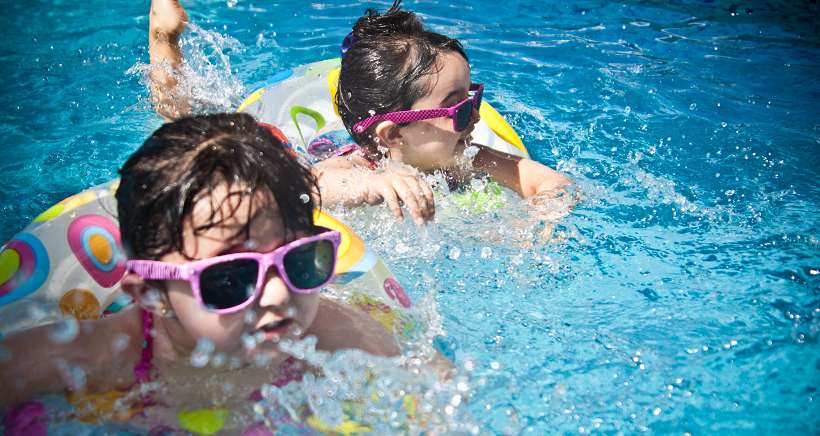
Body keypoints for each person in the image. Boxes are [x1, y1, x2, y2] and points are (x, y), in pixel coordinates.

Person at [0, 113, 398, 424]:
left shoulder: (337, 338)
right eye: (231, 278)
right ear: (150, 294)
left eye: (298, 261)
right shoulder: (91, 358)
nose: (279, 295)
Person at [147, 0, 572, 225]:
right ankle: (164, 38)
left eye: (473, 99)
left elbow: (545, 180)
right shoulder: (355, 165)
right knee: (191, 135)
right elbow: (308, 189)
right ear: (391, 136)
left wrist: (543, 217)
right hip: (307, 152)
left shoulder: (468, 157)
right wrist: (371, 185)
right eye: (457, 110)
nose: (474, 118)